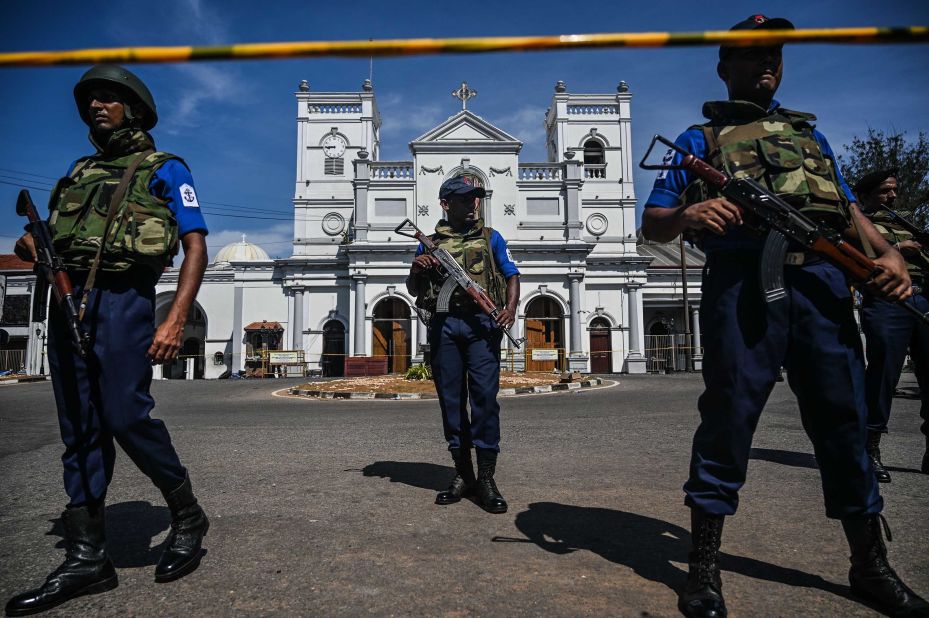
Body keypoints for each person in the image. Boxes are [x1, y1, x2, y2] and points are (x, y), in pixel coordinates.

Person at [641, 15, 929, 618]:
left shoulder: (812, 140)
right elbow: (655, 221)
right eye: (752, 55)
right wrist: (691, 217)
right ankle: (703, 571)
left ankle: (871, 567)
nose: (768, 62)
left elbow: (847, 211)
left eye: (775, 53)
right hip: (744, 285)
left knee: (843, 421)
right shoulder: (701, 140)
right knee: (728, 419)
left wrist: (889, 254)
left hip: (821, 285)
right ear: (725, 66)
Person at [7, 65, 210, 616]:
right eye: (92, 100)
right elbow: (45, 234)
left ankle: (186, 513)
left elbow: (195, 245)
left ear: (135, 110)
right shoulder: (79, 172)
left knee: (125, 416)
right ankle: (87, 557)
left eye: (110, 99)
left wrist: (175, 319)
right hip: (68, 300)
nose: (98, 106)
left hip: (124, 301)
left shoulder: (165, 169)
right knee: (80, 427)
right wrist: (30, 245)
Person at [406, 176, 520, 514]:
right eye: (464, 198)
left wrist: (510, 308)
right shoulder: (430, 242)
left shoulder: (491, 238)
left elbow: (512, 274)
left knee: (485, 399)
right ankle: (462, 474)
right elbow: (413, 289)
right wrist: (418, 267)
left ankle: (486, 477)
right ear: (445, 203)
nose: (473, 203)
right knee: (452, 402)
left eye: (476, 197)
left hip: (482, 327)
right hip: (445, 327)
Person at [856, 169, 929, 479]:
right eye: (885, 191)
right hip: (887, 301)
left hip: (924, 298)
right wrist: (898, 249)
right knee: (884, 374)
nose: (893, 196)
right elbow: (851, 257)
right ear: (867, 194)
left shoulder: (902, 222)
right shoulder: (858, 223)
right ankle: (870, 450)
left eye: (894, 190)